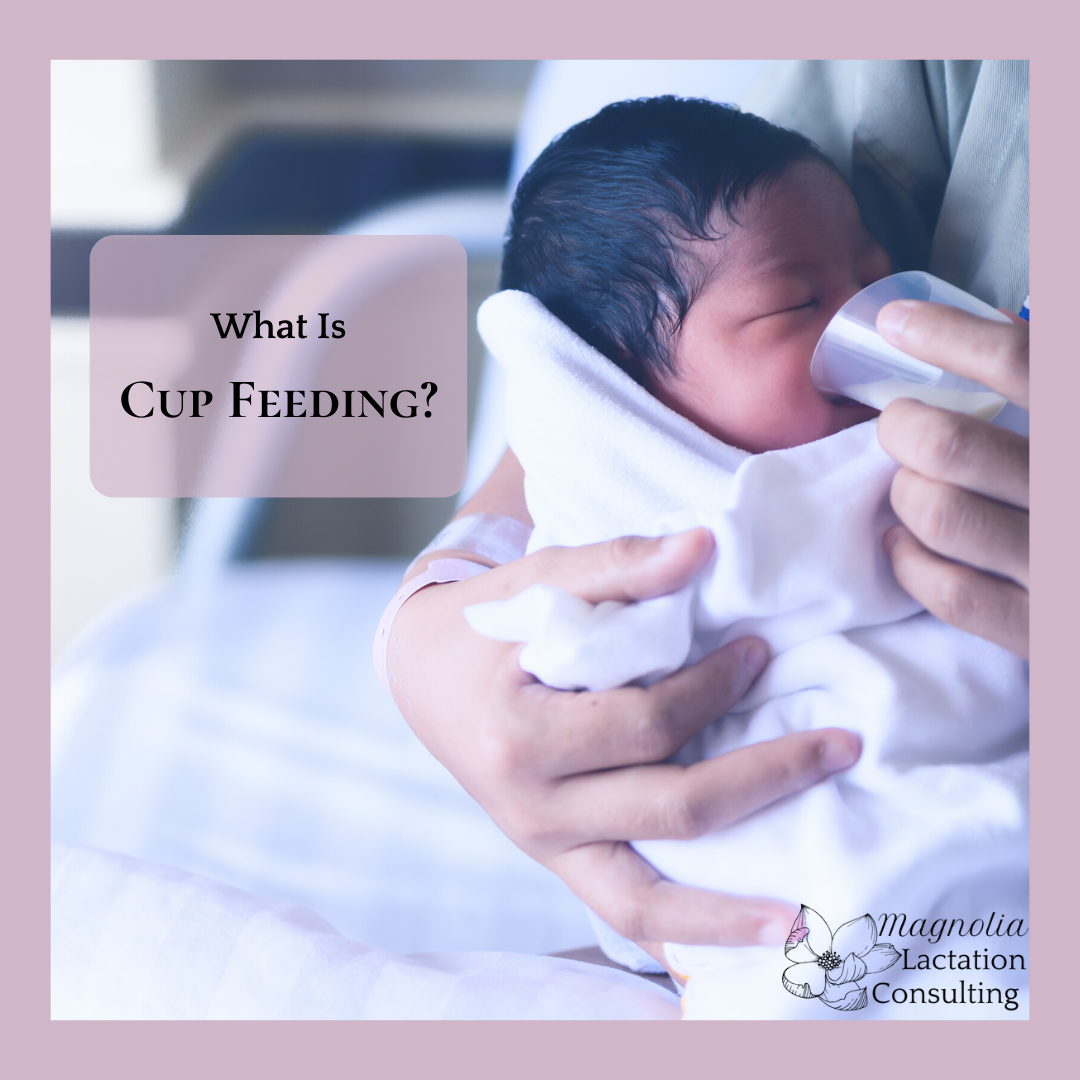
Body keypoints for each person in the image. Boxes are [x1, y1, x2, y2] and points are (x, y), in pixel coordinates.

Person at [381, 60, 1028, 971]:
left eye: (881, 281)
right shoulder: (678, 522)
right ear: (630, 394)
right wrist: (437, 619)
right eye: (801, 305)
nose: (874, 326)